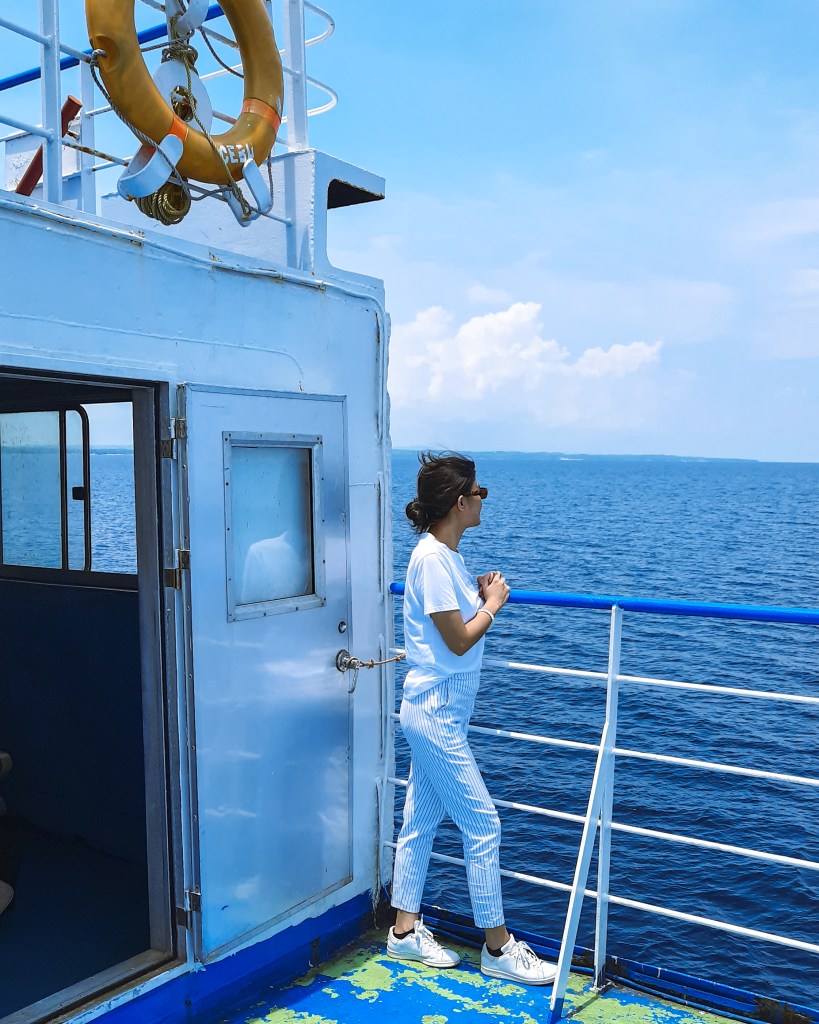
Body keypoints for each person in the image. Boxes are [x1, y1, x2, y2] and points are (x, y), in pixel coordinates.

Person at [387, 452, 556, 985]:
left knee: (419, 823)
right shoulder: (433, 561)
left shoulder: (445, 558)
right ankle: (498, 947)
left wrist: (478, 595)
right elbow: (458, 641)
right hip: (436, 712)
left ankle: (402, 932)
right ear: (460, 502)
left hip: (440, 713)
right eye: (479, 492)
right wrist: (495, 603)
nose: (485, 498)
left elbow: (450, 626)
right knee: (483, 823)